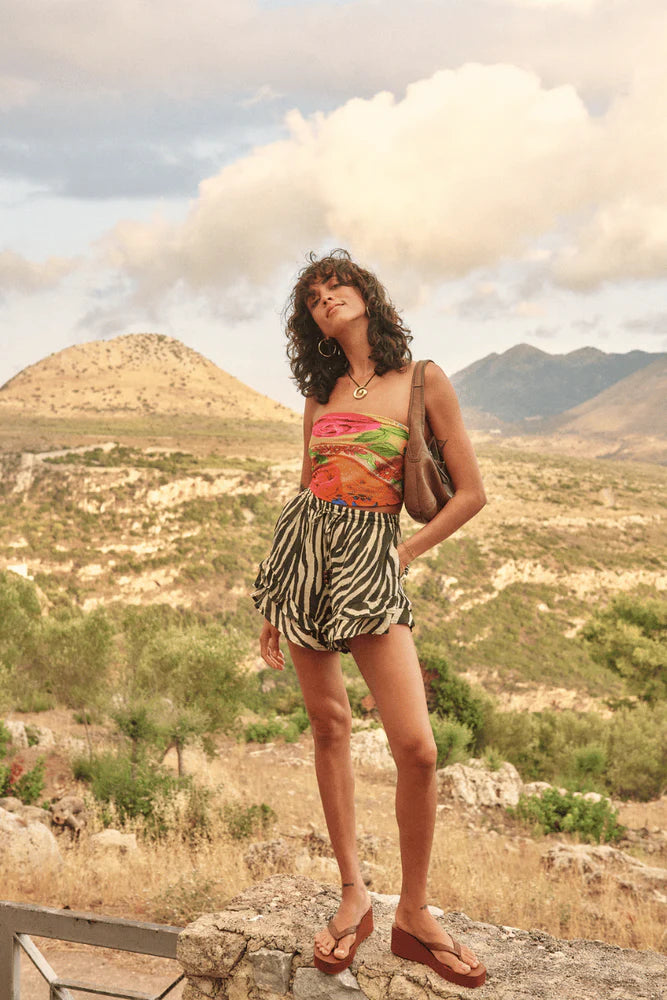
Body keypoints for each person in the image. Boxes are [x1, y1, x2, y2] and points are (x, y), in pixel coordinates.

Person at [253, 249, 487, 989]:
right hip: (306, 563)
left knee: (416, 748)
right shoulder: (320, 395)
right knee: (328, 726)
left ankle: (413, 913)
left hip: (371, 561)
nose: (327, 300)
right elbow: (303, 494)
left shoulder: (421, 382)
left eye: (337, 287)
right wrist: (273, 600)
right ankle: (353, 892)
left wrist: (404, 554)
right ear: (310, 324)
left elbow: (470, 493)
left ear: (365, 296)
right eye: (314, 298)